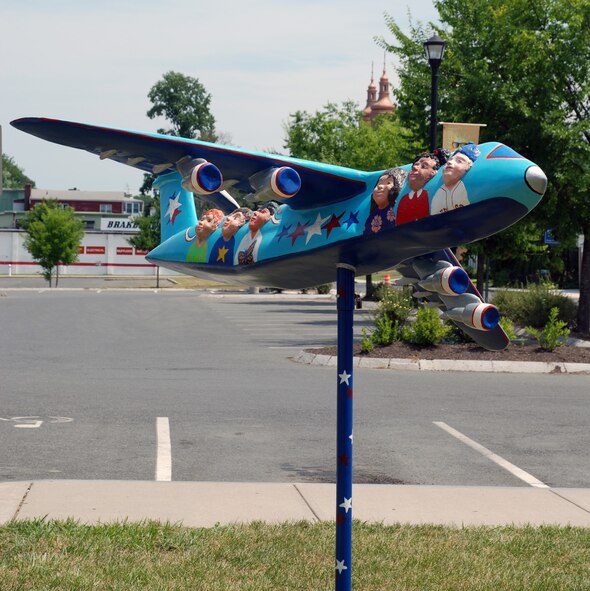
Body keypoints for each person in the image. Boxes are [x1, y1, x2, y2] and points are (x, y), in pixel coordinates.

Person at [395, 150, 447, 225]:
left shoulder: (429, 195)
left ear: (433, 173)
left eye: (423, 166)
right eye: (414, 165)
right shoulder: (404, 199)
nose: (415, 168)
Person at [430, 143, 480, 215]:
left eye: (459, 161)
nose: (450, 162)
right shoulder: (438, 193)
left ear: (468, 166)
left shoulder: (464, 188)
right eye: (449, 160)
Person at [364, 167, 407, 234]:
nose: (380, 186)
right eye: (379, 183)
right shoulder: (373, 214)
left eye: (388, 183)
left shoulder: (394, 211)